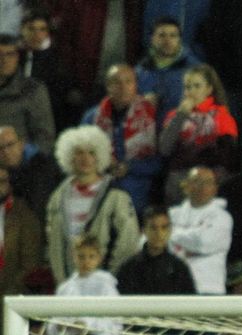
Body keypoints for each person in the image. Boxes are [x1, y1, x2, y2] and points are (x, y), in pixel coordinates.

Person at [45, 125, 140, 284]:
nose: (85, 158)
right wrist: (62, 281)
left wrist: (108, 278)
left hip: (106, 286)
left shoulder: (116, 196)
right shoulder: (57, 197)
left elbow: (128, 241)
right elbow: (53, 243)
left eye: (91, 152)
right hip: (69, 286)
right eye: (79, 152)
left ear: (100, 157)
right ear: (69, 157)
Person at [155, 63, 240, 208]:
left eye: (197, 86)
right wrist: (181, 115)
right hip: (181, 180)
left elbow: (228, 155)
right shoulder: (174, 115)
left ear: (209, 89)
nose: (191, 91)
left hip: (210, 178)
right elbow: (164, 149)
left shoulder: (222, 115)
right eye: (188, 87)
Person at [84, 64, 161, 216]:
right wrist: (102, 161)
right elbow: (80, 152)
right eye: (117, 82)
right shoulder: (92, 117)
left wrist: (130, 167)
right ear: (108, 86)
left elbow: (161, 160)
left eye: (128, 82)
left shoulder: (152, 115)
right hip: (98, 191)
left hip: (138, 196)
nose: (123, 87)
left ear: (136, 85)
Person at [167, 166, 233, 294]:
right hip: (173, 289)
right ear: (186, 186)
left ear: (215, 189)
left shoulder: (222, 217)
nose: (202, 187)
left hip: (208, 289)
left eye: (208, 183)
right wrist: (188, 240)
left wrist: (171, 235)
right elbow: (148, 242)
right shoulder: (171, 214)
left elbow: (203, 242)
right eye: (197, 181)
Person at [117, 205, 198, 295]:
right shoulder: (129, 268)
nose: (159, 233)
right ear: (143, 231)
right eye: (153, 228)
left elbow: (190, 303)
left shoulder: (179, 268)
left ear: (170, 230)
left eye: (164, 227)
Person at [135, 16, 196, 118]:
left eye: (173, 35)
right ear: (152, 39)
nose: (167, 40)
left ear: (179, 39)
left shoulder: (196, 69)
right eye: (162, 35)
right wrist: (141, 102)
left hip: (182, 130)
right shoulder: (139, 70)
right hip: (148, 131)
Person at [0, 32, 49, 155]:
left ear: (17, 57)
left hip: (18, 165)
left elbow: (44, 137)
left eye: (10, 54)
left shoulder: (33, 90)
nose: (4, 60)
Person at [0, 162, 40, 294]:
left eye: (2, 181)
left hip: (11, 295)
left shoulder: (24, 215)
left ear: (10, 184)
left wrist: (10, 291)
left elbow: (30, 262)